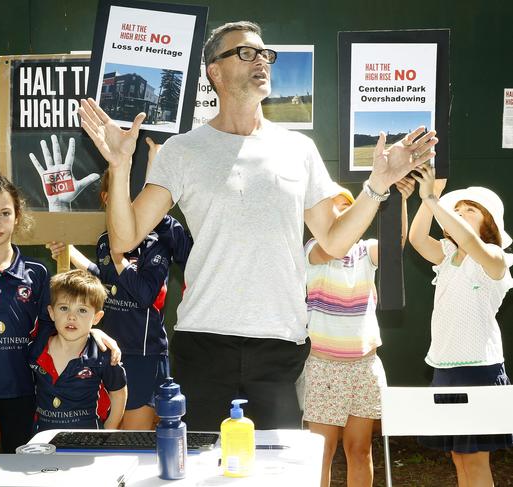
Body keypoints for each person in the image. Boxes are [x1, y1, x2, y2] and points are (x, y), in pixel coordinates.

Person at [79, 21, 437, 430]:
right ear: (215, 71)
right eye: (246, 53)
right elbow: (125, 238)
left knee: (275, 472)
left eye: (265, 54)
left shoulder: (299, 149)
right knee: (202, 468)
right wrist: (121, 165)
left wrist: (377, 185)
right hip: (204, 341)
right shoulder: (183, 150)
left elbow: (335, 241)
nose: (261, 61)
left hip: (280, 345)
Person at [0, 171, 120, 476]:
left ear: (17, 217)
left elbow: (58, 323)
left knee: (27, 475)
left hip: (25, 393)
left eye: (4, 213)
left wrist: (92, 329)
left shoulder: (37, 274)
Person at [48, 139, 193, 430]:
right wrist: (68, 251)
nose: (128, 204)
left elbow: (143, 295)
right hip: (109, 352)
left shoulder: (157, 241)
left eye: (135, 196)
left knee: (134, 440)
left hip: (144, 355)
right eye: (118, 195)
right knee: (109, 437)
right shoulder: (105, 241)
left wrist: (119, 258)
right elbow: (102, 281)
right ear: (105, 198)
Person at [303, 179, 414, 487]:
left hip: (364, 367)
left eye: (348, 207)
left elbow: (395, 244)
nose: (342, 212)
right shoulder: (313, 249)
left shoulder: (367, 251)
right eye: (333, 207)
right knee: (321, 452)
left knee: (360, 449)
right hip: (323, 367)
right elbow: (330, 247)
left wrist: (401, 200)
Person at [409, 164, 513, 486]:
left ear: (489, 223)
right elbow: (415, 237)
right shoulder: (445, 254)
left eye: (470, 210)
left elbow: (471, 241)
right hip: (445, 370)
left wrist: (433, 199)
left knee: (476, 460)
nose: (461, 214)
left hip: (479, 371)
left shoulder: (494, 257)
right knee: (459, 458)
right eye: (457, 210)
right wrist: (431, 199)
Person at [29, 269, 127, 432]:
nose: (71, 317)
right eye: (63, 308)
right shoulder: (37, 347)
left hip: (87, 444)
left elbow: (119, 393)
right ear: (51, 313)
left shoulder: (103, 354)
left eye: (82, 310)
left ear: (96, 317)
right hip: (42, 441)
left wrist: (108, 431)